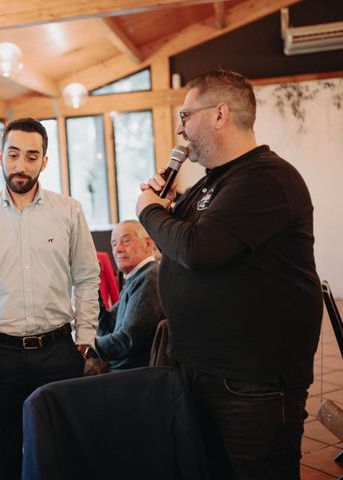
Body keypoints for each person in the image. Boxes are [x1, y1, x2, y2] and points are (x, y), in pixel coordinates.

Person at [136, 69, 322, 480]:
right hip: (205, 368)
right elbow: (177, 239)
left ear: (219, 114)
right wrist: (163, 204)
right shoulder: (209, 184)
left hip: (250, 380)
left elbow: (198, 250)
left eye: (186, 115)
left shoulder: (266, 179)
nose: (180, 129)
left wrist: (148, 210)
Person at [0, 117, 100, 479]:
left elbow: (87, 277)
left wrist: (83, 341)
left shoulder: (69, 210)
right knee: (5, 458)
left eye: (32, 156)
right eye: (13, 154)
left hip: (58, 352)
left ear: (44, 161)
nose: (21, 165)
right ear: (0, 156)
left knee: (62, 453)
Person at [95, 220, 164, 370]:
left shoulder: (149, 278)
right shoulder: (137, 277)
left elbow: (126, 341)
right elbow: (106, 328)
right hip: (122, 371)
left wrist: (86, 350)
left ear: (147, 243)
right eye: (114, 244)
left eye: (126, 241)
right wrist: (93, 284)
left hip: (131, 375)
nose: (117, 249)